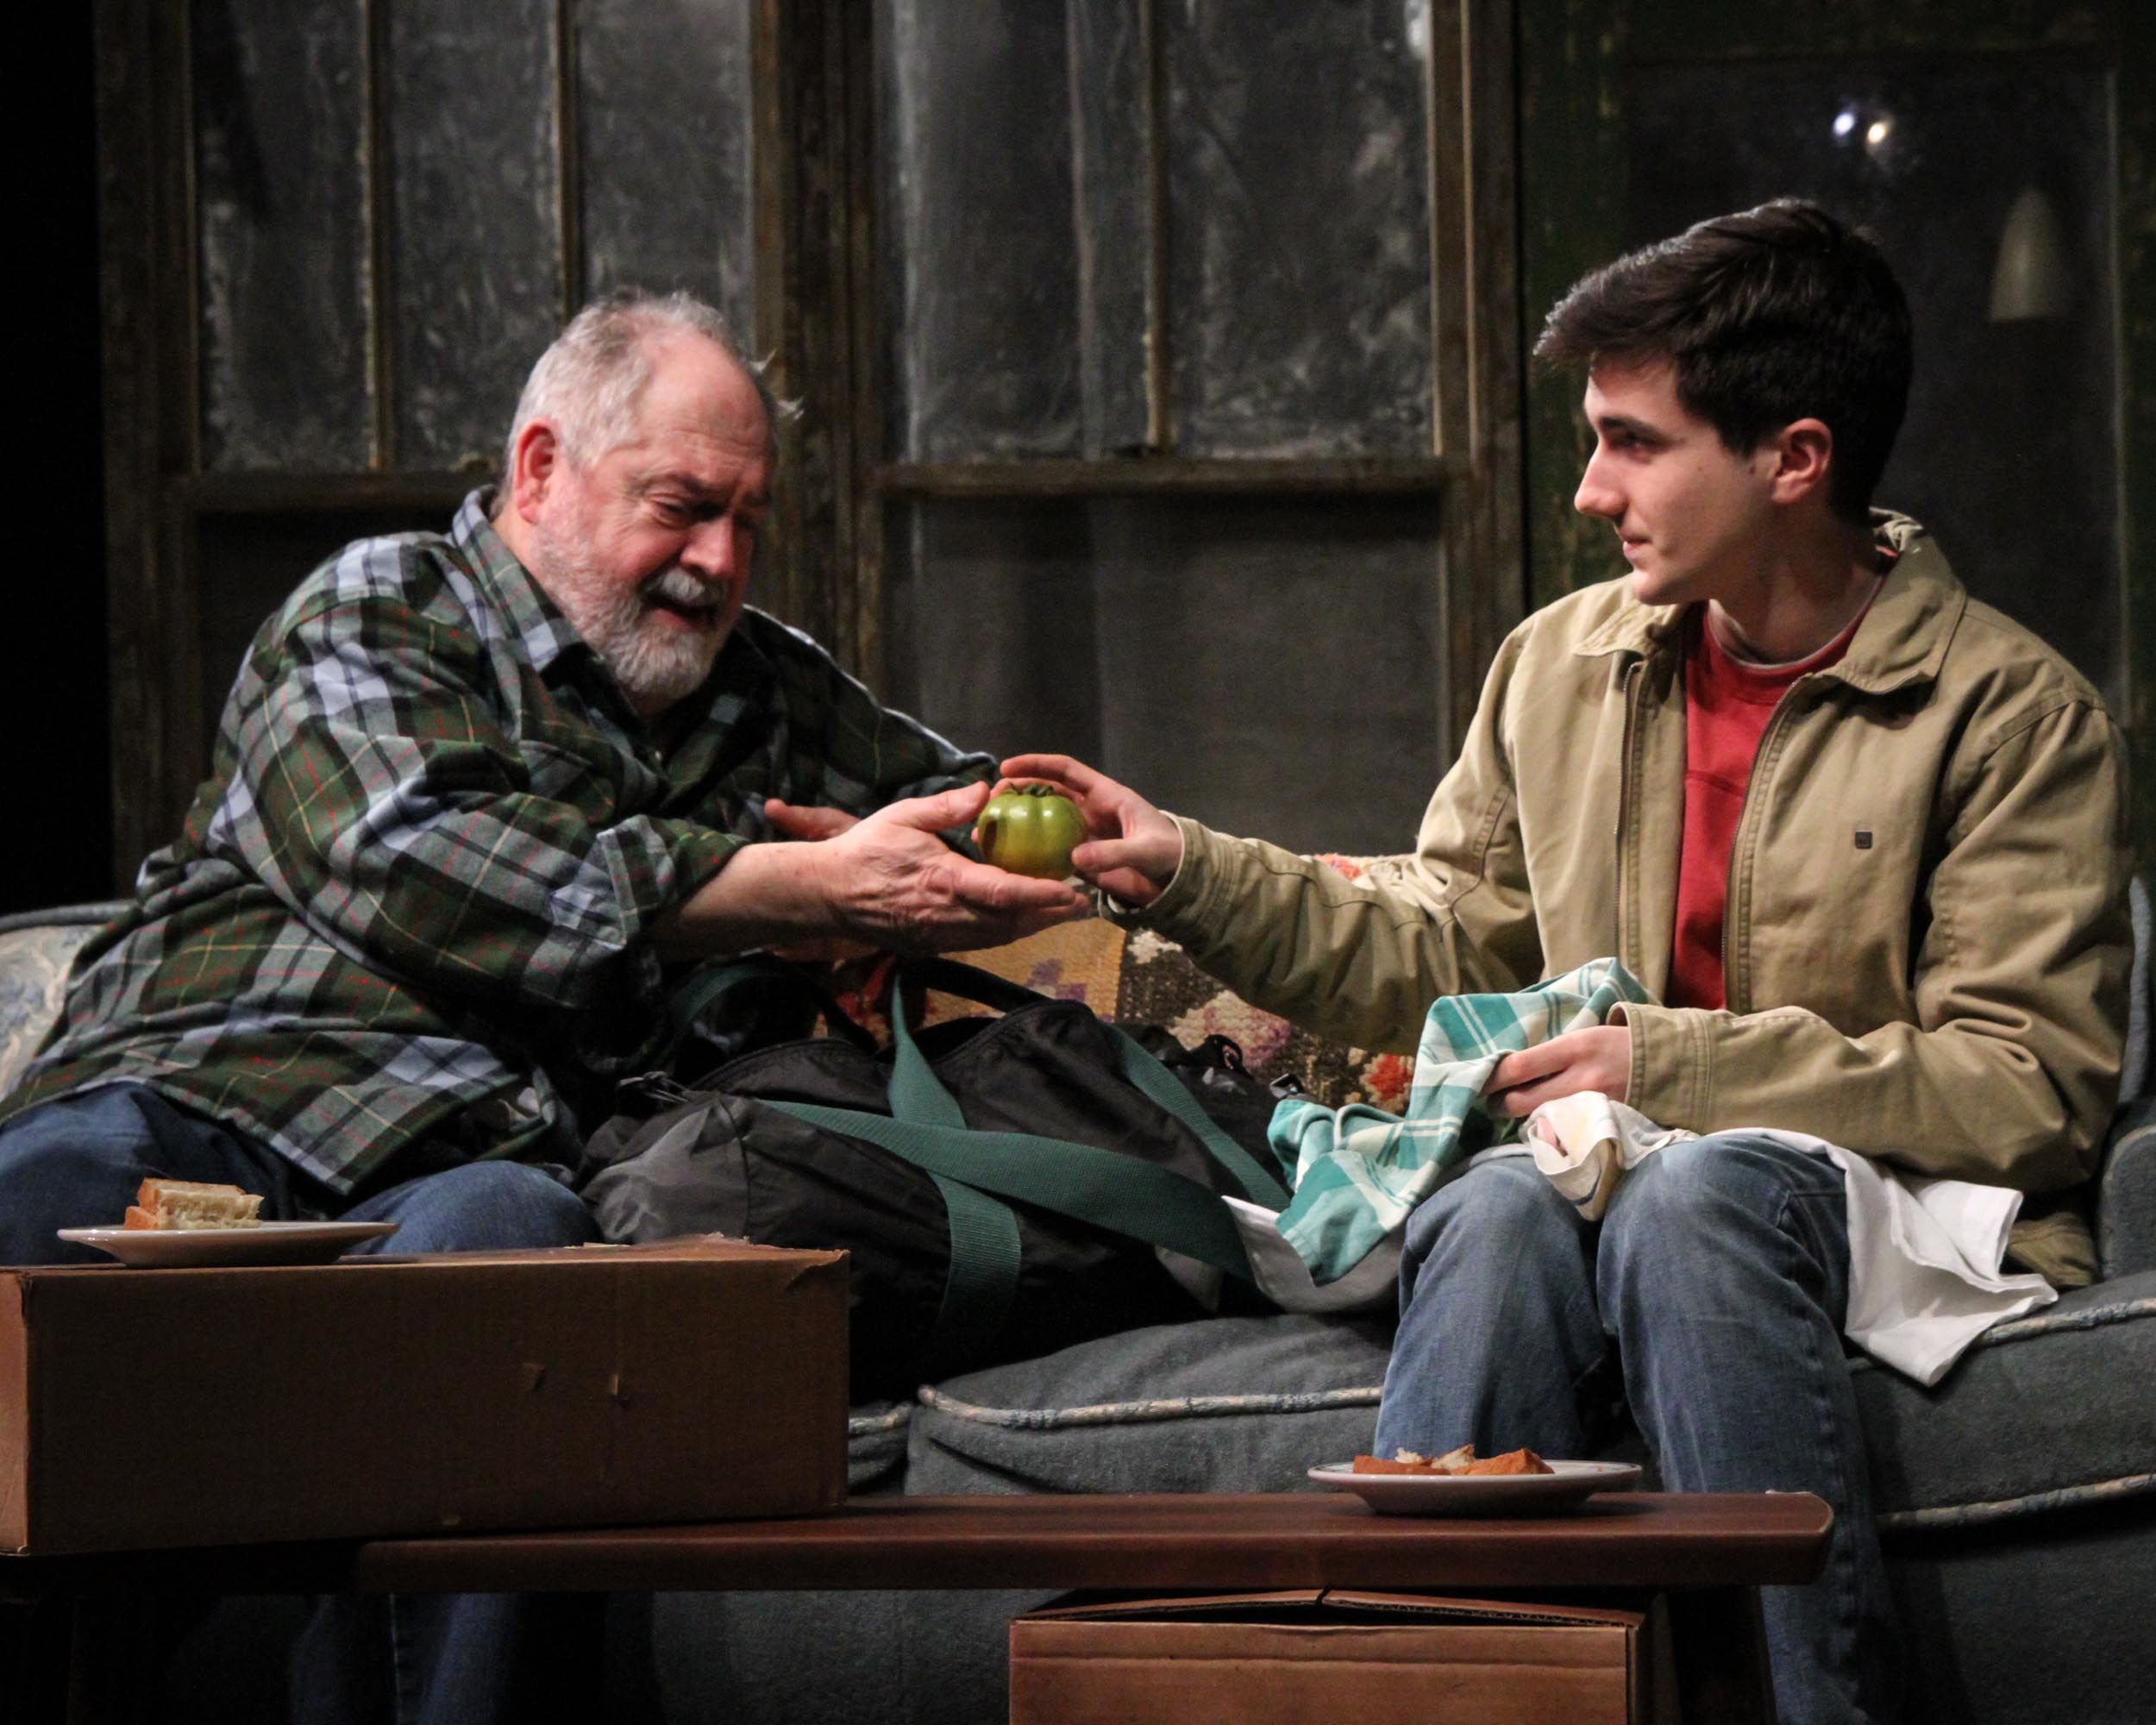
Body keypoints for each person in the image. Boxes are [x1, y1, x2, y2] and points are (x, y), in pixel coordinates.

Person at [1005, 201, 2131, 1724]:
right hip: (1607, 1168)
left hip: (1902, 1207)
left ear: (1794, 459)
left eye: (1634, 443)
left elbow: (2026, 1090)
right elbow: (1441, 944)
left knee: (1695, 1200)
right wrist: (1187, 870)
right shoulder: (1561, 663)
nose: (1593, 489)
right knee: (1488, 1211)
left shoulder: (2012, 717)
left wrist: (1667, 1067)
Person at [0, 290, 1087, 1722]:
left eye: (747, 522)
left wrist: (1022, 864)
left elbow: (989, 814)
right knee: (37, 1203)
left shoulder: (768, 697)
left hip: (471, 1164)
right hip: (214, 1099)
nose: (718, 561)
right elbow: (419, 863)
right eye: (680, 507)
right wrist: (784, 887)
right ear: (539, 470)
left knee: (520, 1264)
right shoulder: (379, 609)